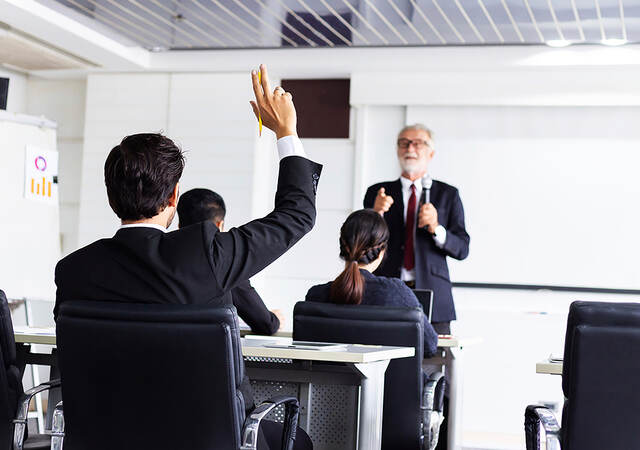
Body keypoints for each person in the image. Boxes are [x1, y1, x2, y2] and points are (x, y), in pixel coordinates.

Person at [54, 65, 318, 450]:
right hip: (205, 438)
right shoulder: (207, 255)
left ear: (111, 196)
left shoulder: (74, 270)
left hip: (106, 436)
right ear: (174, 197)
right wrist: (286, 133)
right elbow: (296, 216)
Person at [363, 124, 469, 336]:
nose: (410, 148)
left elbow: (462, 249)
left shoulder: (448, 194)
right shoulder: (378, 192)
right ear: (397, 150)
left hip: (434, 298)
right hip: (387, 291)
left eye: (418, 143)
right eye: (404, 143)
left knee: (433, 363)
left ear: (431, 152)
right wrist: (375, 214)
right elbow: (362, 245)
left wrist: (436, 228)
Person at [305, 209, 438, 357]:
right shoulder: (396, 292)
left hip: (330, 381)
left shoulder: (316, 295)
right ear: (381, 252)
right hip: (391, 381)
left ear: (342, 248)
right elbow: (430, 346)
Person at [177, 188, 283, 335]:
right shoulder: (223, 263)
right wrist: (275, 319)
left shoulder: (158, 255)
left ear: (179, 224)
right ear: (219, 225)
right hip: (209, 353)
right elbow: (264, 324)